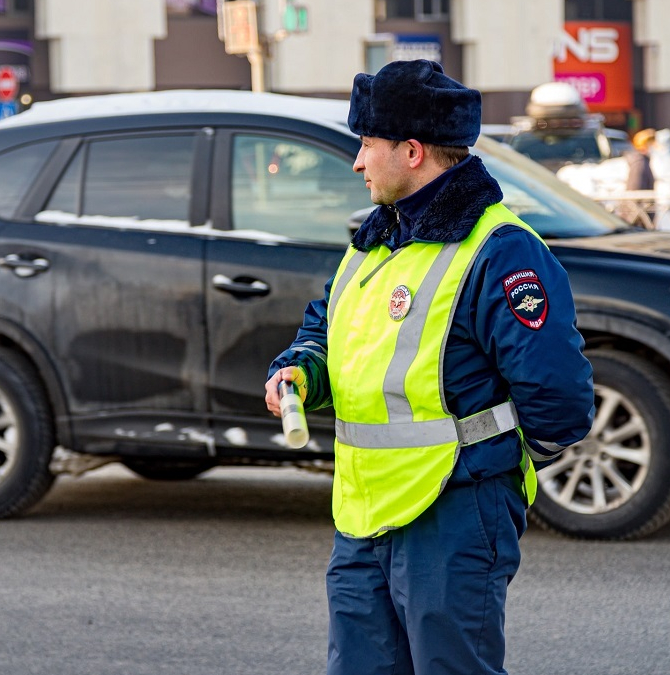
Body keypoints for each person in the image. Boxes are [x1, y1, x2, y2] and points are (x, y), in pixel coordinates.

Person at [264, 59, 595, 675]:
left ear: (412, 151)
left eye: (367, 144)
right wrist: (301, 372)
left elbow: (559, 398)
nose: (358, 162)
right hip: (364, 511)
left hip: (453, 510)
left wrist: (493, 469)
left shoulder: (501, 249)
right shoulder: (378, 236)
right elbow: (329, 327)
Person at [621, 128, 656, 226]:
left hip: (641, 216)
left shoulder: (641, 161)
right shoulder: (639, 163)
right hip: (638, 218)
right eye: (652, 144)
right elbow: (635, 190)